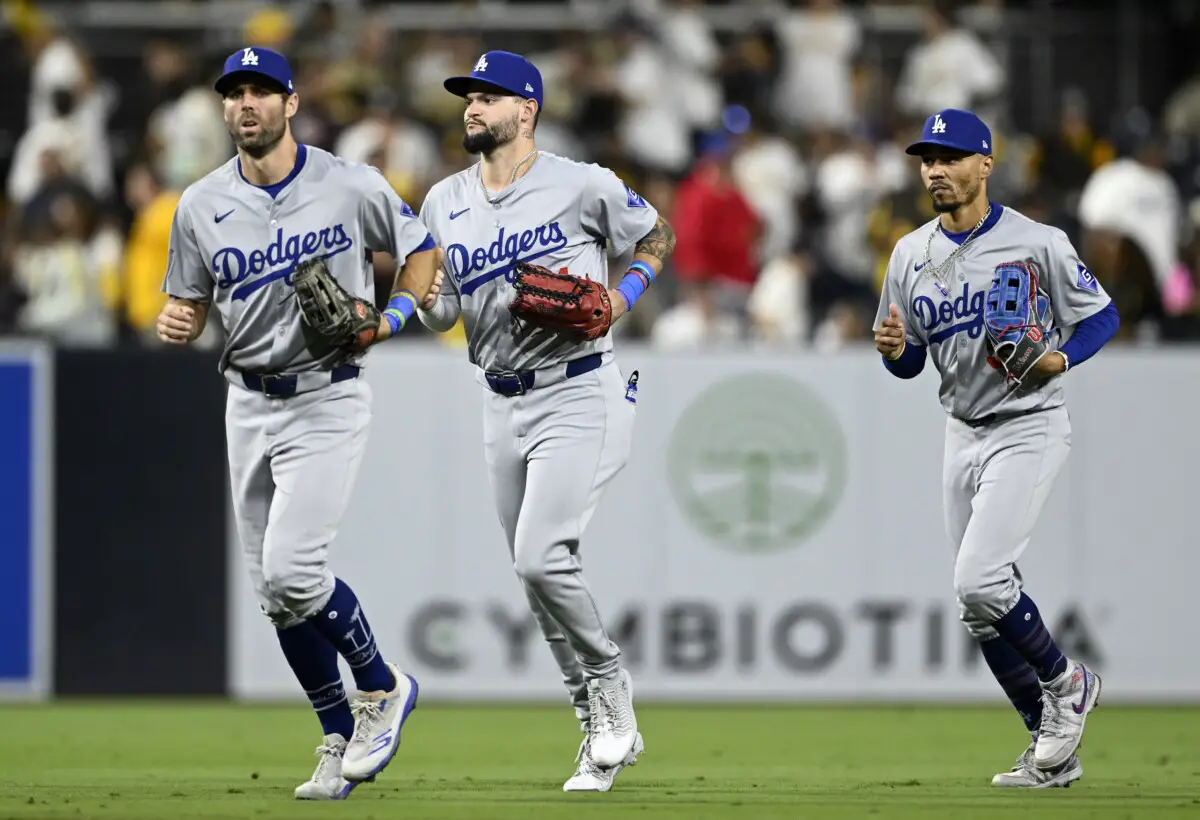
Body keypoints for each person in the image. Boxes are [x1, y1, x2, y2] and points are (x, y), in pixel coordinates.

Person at [155, 46, 437, 801]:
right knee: (274, 594)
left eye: (261, 91)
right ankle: (336, 738)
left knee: (293, 570)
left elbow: (423, 251)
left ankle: (381, 686)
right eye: (234, 93)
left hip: (326, 393)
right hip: (245, 400)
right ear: (224, 109)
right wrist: (178, 317)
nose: (246, 103)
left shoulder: (348, 184)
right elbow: (186, 298)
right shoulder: (199, 204)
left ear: (289, 104)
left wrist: (391, 317)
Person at [416, 50, 676, 792]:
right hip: (499, 397)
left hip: (578, 387)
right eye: (467, 96)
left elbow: (658, 237)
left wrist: (620, 299)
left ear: (525, 111)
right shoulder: (444, 201)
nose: (472, 107)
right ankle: (593, 724)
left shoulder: (582, 184)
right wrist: (420, 296)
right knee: (533, 577)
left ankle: (611, 684)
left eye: (488, 97)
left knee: (540, 557)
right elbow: (444, 311)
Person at [872, 108, 1119, 788]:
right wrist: (894, 353)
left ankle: (1067, 683)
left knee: (980, 580)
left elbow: (1101, 314)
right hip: (961, 428)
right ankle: (1049, 751)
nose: (935, 170)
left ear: (985, 164)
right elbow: (909, 361)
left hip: (1028, 421)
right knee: (974, 604)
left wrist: (1062, 360)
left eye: (950, 157)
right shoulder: (908, 253)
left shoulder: (1036, 242)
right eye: (927, 158)